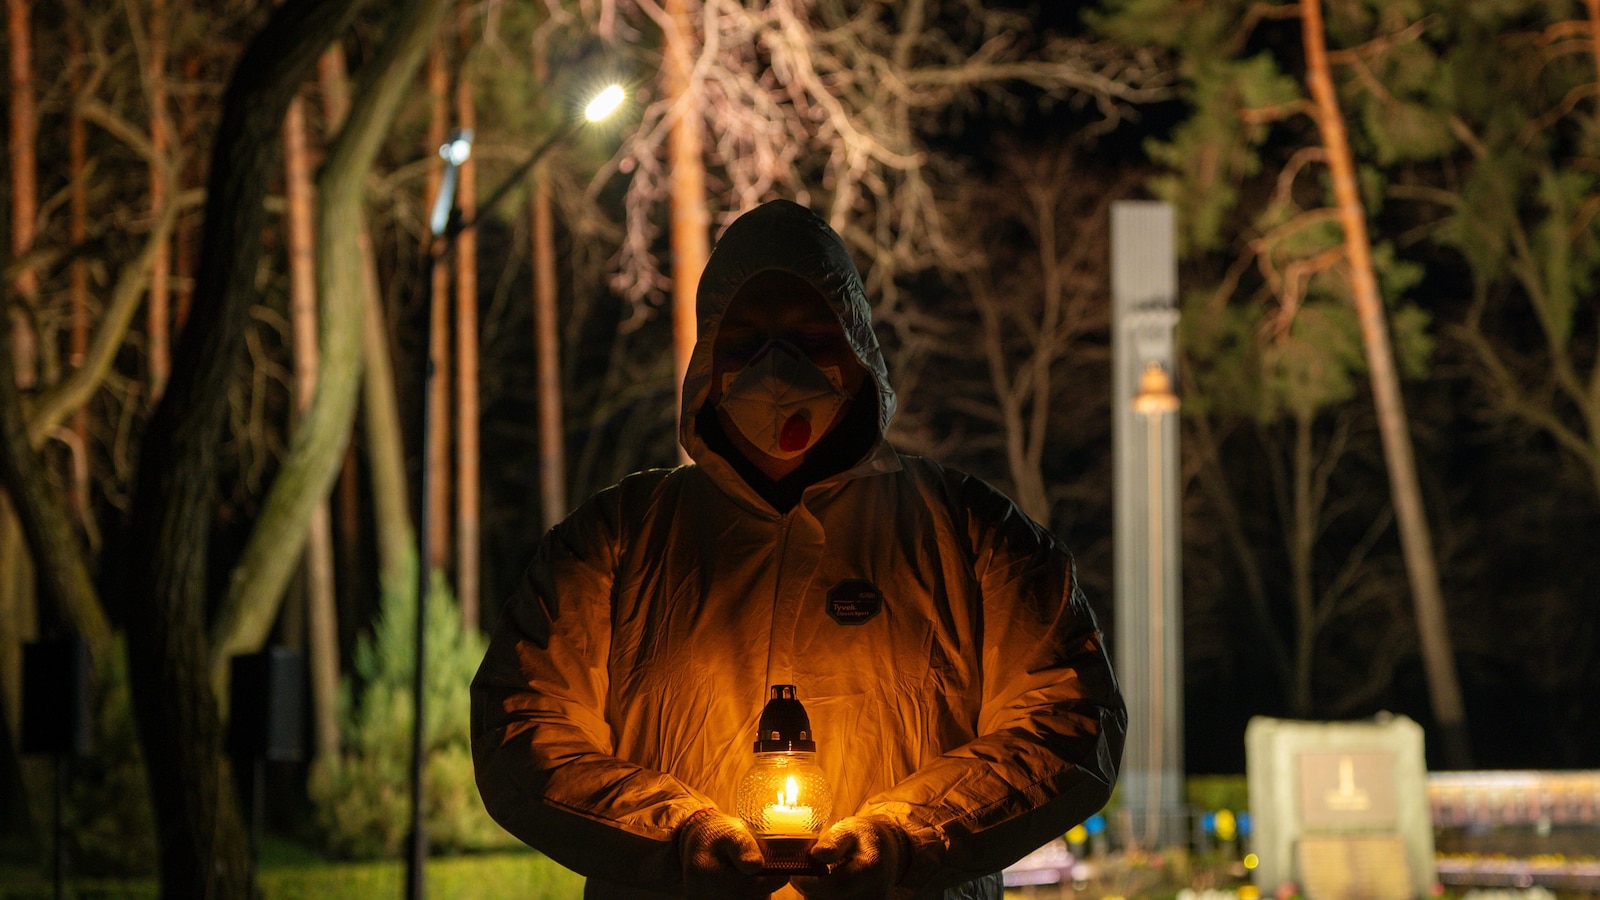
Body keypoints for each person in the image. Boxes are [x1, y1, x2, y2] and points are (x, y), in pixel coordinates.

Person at [471, 199, 1125, 900]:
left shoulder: (970, 535)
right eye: (747, 340)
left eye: (808, 337)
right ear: (709, 359)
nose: (775, 366)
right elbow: (524, 726)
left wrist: (906, 838)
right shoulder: (619, 540)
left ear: (856, 346)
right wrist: (677, 837)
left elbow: (1069, 720)